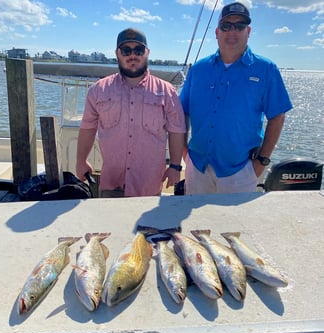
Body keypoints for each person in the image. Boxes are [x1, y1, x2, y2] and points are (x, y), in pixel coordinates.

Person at [179, 2, 292, 194]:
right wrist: (183, 151)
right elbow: (182, 113)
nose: (233, 31)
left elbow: (277, 116)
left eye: (239, 26)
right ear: (217, 32)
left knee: (235, 225)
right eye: (226, 26)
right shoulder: (198, 69)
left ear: (248, 31)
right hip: (197, 167)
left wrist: (262, 161)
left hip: (241, 171)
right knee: (196, 224)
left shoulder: (266, 69)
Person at [76, 28, 186, 197]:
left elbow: (177, 130)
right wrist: (81, 160)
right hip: (111, 183)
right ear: (117, 53)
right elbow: (88, 127)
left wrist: (175, 166)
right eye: (126, 50)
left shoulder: (167, 91)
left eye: (138, 50)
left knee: (148, 224)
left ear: (147, 52)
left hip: (148, 186)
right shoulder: (98, 90)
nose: (132, 55)